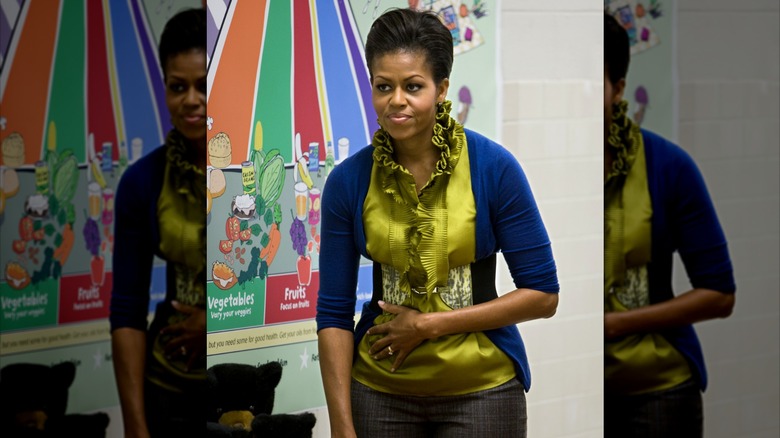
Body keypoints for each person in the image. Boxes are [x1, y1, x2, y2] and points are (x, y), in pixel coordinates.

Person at [316, 8, 559, 438]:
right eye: (383, 86)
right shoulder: (348, 181)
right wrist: (341, 426)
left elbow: (542, 296)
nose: (396, 101)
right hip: (378, 392)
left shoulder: (493, 168)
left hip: (483, 393)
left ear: (441, 88)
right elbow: (333, 314)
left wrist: (428, 324)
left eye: (413, 87)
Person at [603, 12, 736, 438]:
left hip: (656, 388)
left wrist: (613, 324)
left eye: (592, 85)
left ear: (619, 89)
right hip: (565, 383)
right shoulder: (533, 167)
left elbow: (718, 295)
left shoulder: (667, 165)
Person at [109, 8, 207, 437]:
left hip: (241, 385)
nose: (191, 99)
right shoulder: (141, 182)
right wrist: (135, 425)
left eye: (204, 85)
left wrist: (218, 320)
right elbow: (127, 311)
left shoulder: (258, 174)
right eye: (178, 87)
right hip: (165, 385)